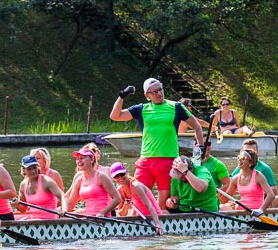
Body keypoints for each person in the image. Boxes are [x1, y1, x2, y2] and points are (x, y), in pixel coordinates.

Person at [110, 77, 205, 210]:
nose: (159, 93)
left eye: (160, 89)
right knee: (138, 201)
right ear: (147, 96)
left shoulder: (176, 107)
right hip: (146, 162)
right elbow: (115, 116)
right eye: (154, 92)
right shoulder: (141, 109)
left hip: (168, 161)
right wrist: (122, 95)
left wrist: (200, 149)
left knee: (163, 205)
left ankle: (161, 220)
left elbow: (197, 127)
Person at [110, 162, 164, 235]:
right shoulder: (119, 190)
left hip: (154, 218)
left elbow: (149, 206)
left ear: (126, 172)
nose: (120, 178)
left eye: (122, 174)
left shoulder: (136, 186)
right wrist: (126, 206)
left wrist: (157, 224)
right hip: (141, 219)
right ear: (113, 178)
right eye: (116, 176)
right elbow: (122, 214)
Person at [66, 148, 121, 216]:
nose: (79, 161)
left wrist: (102, 213)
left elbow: (117, 198)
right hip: (88, 218)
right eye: (77, 159)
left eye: (82, 158)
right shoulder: (79, 181)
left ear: (91, 160)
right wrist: (63, 210)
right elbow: (70, 204)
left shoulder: (101, 177)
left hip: (102, 218)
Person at [12, 154, 67, 220]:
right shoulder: (23, 185)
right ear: (24, 170)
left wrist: (64, 209)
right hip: (33, 219)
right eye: (29, 169)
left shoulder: (46, 181)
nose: (33, 171)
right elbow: (23, 210)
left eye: (34, 167)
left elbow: (62, 196)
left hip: (49, 219)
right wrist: (16, 205)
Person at [220, 149, 274, 214]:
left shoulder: (258, 176)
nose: (239, 160)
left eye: (243, 158)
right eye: (239, 157)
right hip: (241, 210)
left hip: (255, 211)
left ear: (251, 163)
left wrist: (261, 210)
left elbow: (271, 195)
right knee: (222, 207)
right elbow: (225, 200)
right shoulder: (235, 178)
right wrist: (217, 191)